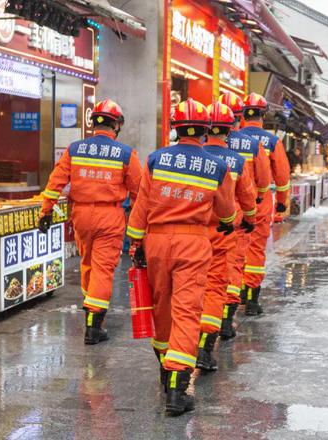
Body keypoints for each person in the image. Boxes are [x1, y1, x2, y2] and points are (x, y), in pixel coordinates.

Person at [126, 98, 236, 416]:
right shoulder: (217, 166)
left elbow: (142, 207)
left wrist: (136, 243)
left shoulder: (156, 160)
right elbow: (227, 210)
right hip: (193, 243)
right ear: (204, 131)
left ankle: (164, 368)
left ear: (175, 128)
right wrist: (227, 223)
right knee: (187, 310)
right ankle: (177, 388)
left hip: (157, 241)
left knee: (161, 305)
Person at [39, 99, 142, 344]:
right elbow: (140, 193)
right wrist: (139, 227)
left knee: (88, 263)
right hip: (110, 216)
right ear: (116, 125)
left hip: (81, 216)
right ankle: (94, 326)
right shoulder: (126, 154)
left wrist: (45, 211)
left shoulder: (74, 149)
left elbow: (56, 182)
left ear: (93, 122)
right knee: (103, 269)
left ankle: (90, 308)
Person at [197, 101, 256, 371]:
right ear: (231, 130)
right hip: (223, 231)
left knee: (188, 287)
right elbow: (247, 197)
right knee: (217, 284)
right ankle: (206, 345)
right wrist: (251, 220)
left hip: (192, 233)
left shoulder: (194, 158)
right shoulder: (236, 161)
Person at [218, 91, 270, 337]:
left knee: (206, 271)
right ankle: (230, 317)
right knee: (235, 263)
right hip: (237, 217)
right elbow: (264, 182)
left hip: (204, 221)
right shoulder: (254, 146)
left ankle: (208, 325)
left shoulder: (201, 152)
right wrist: (253, 214)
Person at [239, 93, 291, 315]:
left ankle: (232, 294)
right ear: (263, 115)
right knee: (255, 249)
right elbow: (282, 175)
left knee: (232, 248)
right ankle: (251, 299)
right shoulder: (271, 141)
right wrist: (281, 203)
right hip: (260, 202)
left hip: (233, 204)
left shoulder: (231, 139)